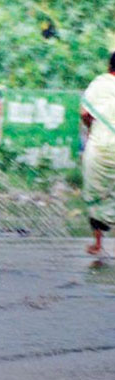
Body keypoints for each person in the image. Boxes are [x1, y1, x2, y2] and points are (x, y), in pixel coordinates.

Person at [80, 52, 115, 255]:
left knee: (95, 194)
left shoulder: (99, 84)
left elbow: (85, 113)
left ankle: (98, 244)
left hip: (99, 146)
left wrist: (92, 128)